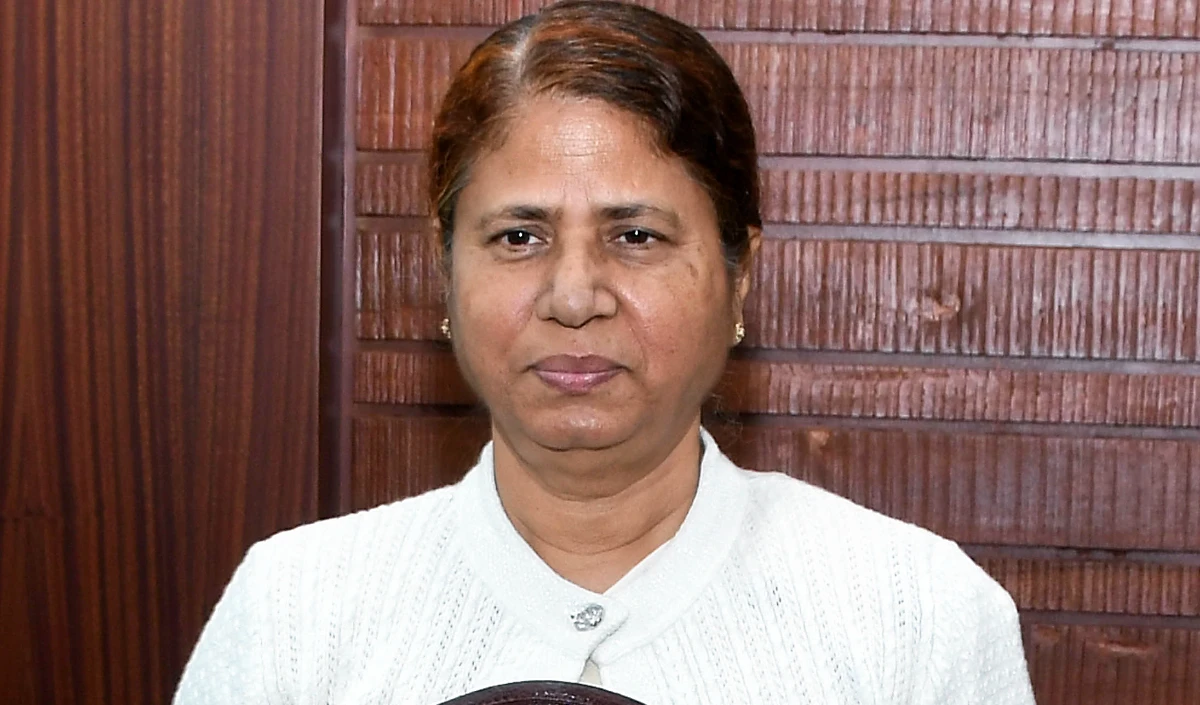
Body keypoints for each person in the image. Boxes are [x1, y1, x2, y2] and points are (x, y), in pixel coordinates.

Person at [174, 1, 1036, 703]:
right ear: (445, 270)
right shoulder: (296, 611)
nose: (574, 296)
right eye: (518, 236)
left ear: (739, 275)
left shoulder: (917, 615)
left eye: (636, 235)